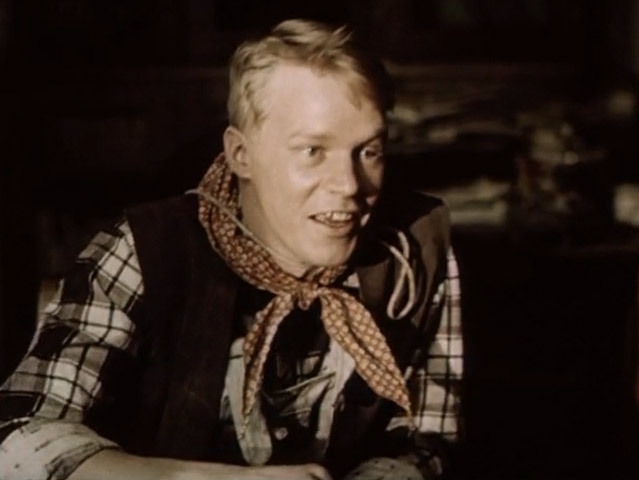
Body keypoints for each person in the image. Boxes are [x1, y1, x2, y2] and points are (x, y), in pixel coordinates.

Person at [0, 19, 462, 480]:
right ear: (241, 154)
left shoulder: (414, 250)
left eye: (369, 152)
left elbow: (427, 440)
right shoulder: (150, 249)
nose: (349, 186)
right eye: (312, 151)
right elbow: (17, 438)